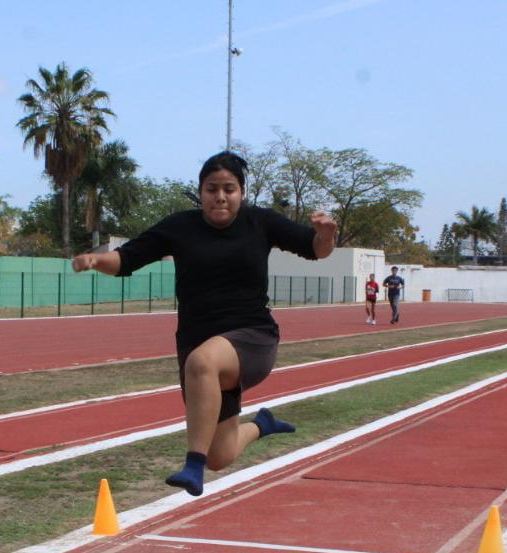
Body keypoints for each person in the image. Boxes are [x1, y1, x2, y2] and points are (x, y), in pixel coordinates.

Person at [72, 151, 337, 496]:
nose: (220, 196)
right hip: (196, 342)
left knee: (203, 363)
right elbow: (126, 259)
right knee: (220, 455)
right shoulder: (179, 227)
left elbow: (315, 249)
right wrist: (95, 260)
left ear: (242, 192)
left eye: (229, 189)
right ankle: (262, 424)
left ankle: (192, 466)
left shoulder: (261, 222)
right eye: (212, 189)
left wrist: (325, 234)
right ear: (200, 192)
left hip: (252, 337)